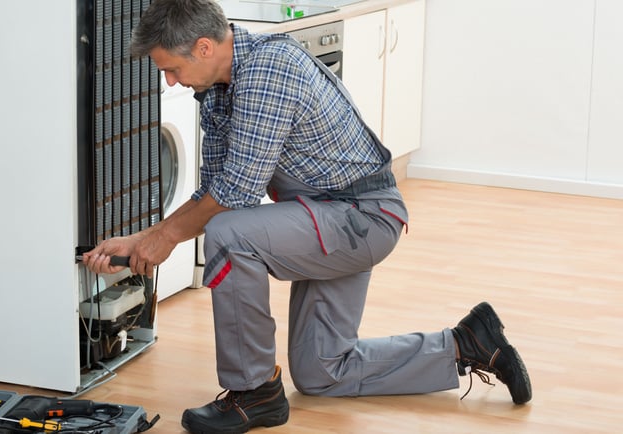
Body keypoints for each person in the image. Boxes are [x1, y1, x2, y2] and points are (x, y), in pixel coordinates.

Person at [83, 0, 532, 433]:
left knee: (228, 235)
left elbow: (235, 193)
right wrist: (145, 237)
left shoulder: (267, 68)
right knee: (323, 372)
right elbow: (213, 190)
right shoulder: (218, 93)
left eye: (172, 70)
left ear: (203, 47)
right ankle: (467, 343)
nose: (172, 83)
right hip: (327, 217)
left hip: (361, 217)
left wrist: (163, 240)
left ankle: (253, 391)